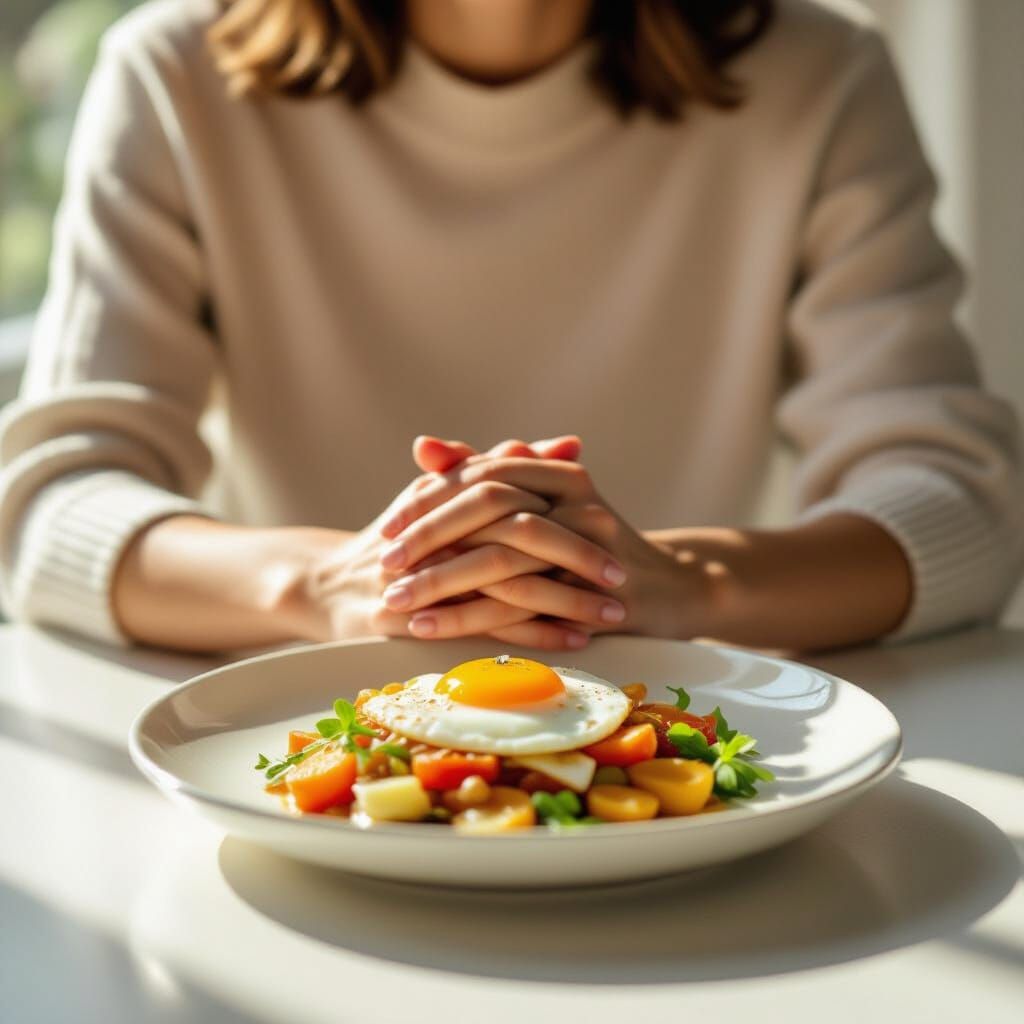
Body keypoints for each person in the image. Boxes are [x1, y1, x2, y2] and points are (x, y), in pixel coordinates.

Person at [0, 0, 1020, 655]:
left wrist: (682, 584)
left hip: (687, 755)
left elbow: (962, 509)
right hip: (296, 754)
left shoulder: (821, 76)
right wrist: (327, 585)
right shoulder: (175, 73)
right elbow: (53, 511)